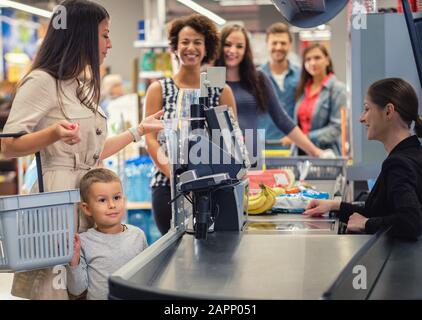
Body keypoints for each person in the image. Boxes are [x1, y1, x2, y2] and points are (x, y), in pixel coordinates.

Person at [0, 0, 163, 300]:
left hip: (87, 194)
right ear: (82, 35)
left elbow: (94, 152)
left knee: (85, 287)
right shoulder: (41, 81)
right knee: (57, 288)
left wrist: (138, 130)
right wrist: (51, 134)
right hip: (57, 202)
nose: (110, 43)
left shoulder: (76, 83)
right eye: (104, 35)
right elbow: (8, 145)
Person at [144, 14, 237, 236]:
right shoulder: (159, 89)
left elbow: (231, 139)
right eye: (185, 42)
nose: (190, 48)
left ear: (207, 48)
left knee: (213, 251)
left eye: (197, 42)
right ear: (175, 47)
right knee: (173, 254)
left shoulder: (220, 90)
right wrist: (174, 174)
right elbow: (149, 138)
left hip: (213, 186)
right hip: (167, 186)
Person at [304, 78, 422, 239]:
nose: (361, 118)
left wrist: (366, 223)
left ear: (388, 111)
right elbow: (380, 212)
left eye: (367, 109)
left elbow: (410, 221)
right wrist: (335, 206)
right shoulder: (412, 153)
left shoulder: (399, 164)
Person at [214, 24, 322, 159]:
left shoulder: (258, 79)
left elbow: (282, 120)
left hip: (252, 157)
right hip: (220, 158)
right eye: (227, 44)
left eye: (239, 46)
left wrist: (315, 152)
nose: (233, 50)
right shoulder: (212, 79)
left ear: (246, 50)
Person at [66, 168, 148, 300]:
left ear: (124, 199)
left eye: (116, 197)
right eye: (102, 200)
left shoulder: (138, 235)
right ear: (87, 208)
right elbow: (77, 289)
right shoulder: (83, 242)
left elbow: (147, 277)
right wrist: (73, 261)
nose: (112, 205)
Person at [285, 43, 346, 155]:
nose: (312, 63)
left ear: (327, 60)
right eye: (308, 59)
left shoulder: (337, 89)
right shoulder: (302, 89)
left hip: (327, 154)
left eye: (317, 58)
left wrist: (304, 138)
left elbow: (337, 128)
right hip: (300, 154)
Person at [259, 23, 301, 147]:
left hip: (294, 146)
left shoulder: (301, 76)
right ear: (267, 45)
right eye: (274, 43)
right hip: (263, 146)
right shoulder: (255, 78)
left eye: (283, 43)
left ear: (290, 45)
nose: (278, 47)